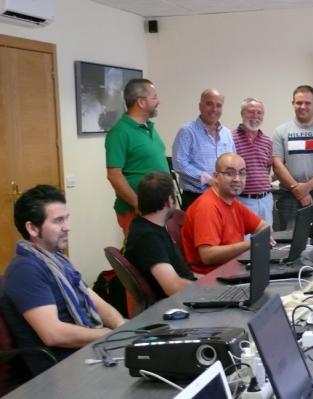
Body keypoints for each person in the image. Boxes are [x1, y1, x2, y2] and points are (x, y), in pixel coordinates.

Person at [0, 185, 126, 375]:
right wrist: (110, 335)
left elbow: (93, 299)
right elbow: (54, 334)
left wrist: (123, 328)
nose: (67, 227)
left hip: (87, 355)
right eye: (58, 221)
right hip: (62, 371)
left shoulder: (57, 260)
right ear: (32, 228)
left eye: (66, 218)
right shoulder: (25, 270)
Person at [181, 153, 271, 274]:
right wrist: (252, 244)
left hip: (232, 269)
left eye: (242, 173)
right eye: (229, 173)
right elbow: (208, 256)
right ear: (216, 177)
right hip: (210, 277)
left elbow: (263, 227)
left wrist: (263, 238)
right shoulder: (207, 206)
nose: (237, 179)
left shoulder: (232, 202)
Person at [105, 78, 169, 233]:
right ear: (141, 102)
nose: (158, 102)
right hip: (138, 211)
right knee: (142, 256)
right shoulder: (120, 132)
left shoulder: (149, 127)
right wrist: (138, 204)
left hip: (158, 209)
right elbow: (114, 175)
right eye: (154, 97)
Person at [272, 85, 313, 230]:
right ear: (293, 104)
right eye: (299, 103)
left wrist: (307, 187)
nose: (303, 106)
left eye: (307, 103)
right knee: (289, 244)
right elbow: (277, 165)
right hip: (289, 196)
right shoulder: (280, 131)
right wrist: (299, 191)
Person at [124, 172, 196, 299]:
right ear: (169, 201)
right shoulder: (148, 238)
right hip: (180, 304)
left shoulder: (148, 227)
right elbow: (173, 287)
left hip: (188, 296)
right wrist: (209, 290)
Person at [172, 89, 235, 210]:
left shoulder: (227, 133)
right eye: (209, 104)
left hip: (223, 197)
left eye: (219, 105)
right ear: (200, 106)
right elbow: (179, 163)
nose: (214, 109)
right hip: (196, 197)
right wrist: (208, 180)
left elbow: (233, 162)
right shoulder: (187, 131)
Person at [232, 98, 274, 224]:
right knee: (245, 241)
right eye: (251, 112)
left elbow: (267, 169)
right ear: (242, 114)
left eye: (259, 112)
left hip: (266, 200)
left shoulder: (267, 141)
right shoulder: (230, 138)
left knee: (267, 240)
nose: (255, 116)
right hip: (243, 200)